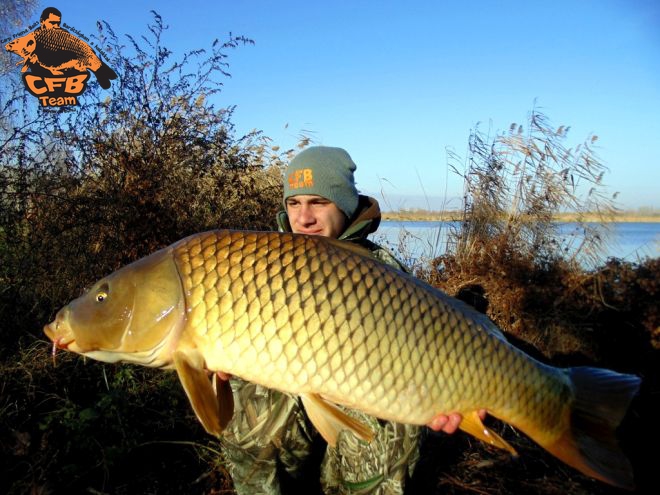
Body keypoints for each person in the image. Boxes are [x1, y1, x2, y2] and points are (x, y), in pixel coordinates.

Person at [219, 146, 472, 494]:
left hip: (354, 399)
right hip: (298, 403)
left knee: (394, 417)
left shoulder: (383, 272)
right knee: (246, 393)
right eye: (294, 203)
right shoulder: (263, 265)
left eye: (318, 202)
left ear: (344, 205)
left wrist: (450, 395)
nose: (303, 217)